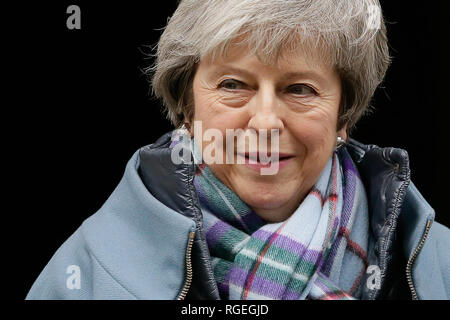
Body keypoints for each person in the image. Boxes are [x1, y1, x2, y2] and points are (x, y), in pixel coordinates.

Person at [26, 0, 449, 300]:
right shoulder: (85, 274)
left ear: (343, 116)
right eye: (233, 84)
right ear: (187, 109)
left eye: (300, 89)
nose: (265, 121)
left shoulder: (440, 262)